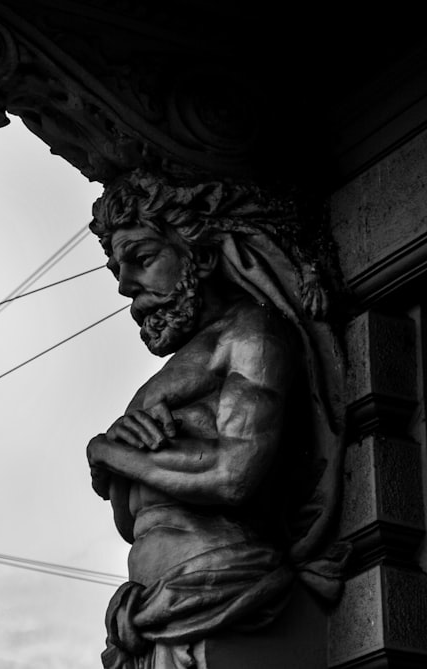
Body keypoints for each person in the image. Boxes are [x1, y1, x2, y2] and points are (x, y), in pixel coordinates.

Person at [85, 170, 348, 668]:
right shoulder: (171, 373)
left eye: (142, 259)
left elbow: (233, 478)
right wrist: (114, 471)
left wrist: (107, 452)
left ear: (200, 256)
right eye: (116, 268)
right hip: (151, 604)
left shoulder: (253, 334)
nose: (124, 286)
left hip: (217, 585)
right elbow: (134, 520)